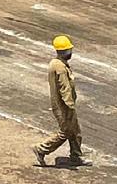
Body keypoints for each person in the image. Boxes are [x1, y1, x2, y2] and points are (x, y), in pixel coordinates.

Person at [34, 34, 82, 166]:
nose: (70, 52)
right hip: (64, 106)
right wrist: (70, 106)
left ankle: (76, 156)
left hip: (62, 105)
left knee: (75, 131)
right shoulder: (59, 67)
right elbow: (64, 88)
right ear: (63, 51)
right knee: (66, 131)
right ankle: (41, 149)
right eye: (68, 50)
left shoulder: (56, 63)